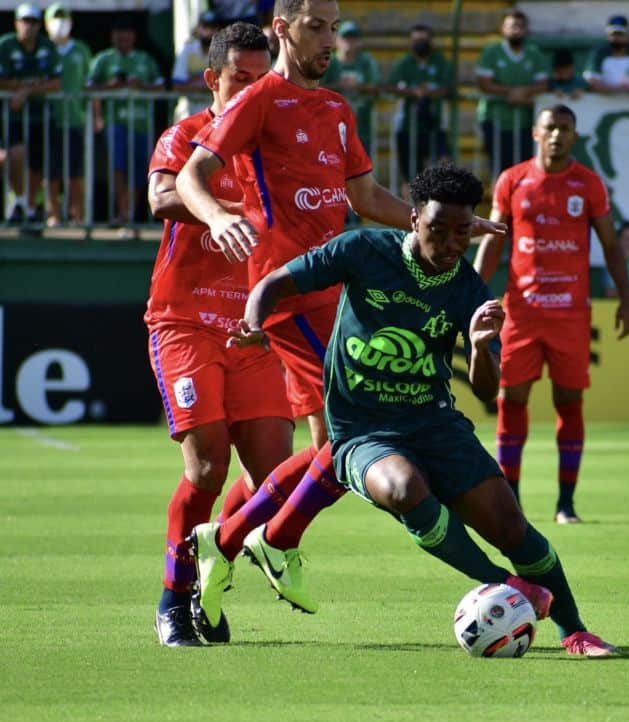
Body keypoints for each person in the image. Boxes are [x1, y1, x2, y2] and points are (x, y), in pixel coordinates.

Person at [199, 162, 619, 657]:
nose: (451, 243)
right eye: (439, 229)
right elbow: (271, 285)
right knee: (402, 488)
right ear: (415, 218)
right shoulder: (363, 249)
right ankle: (504, 583)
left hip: (436, 423)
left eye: (463, 232)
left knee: (511, 526)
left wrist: (482, 346)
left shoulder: (468, 289)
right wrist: (253, 323)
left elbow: (487, 391)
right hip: (361, 430)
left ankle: (574, 631)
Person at [175, 0, 503, 622]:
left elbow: (363, 197)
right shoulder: (259, 99)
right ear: (283, 28)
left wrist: (448, 224)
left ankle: (227, 540)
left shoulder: (335, 109)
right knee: (349, 434)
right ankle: (266, 540)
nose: (331, 41)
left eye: (334, 29)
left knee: (338, 441)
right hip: (287, 290)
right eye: (317, 27)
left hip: (339, 297)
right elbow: (195, 172)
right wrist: (218, 217)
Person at [147, 22, 290, 647]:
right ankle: (172, 600)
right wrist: (225, 211)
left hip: (250, 331)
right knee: (208, 465)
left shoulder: (277, 147)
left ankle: (212, 564)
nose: (254, 91)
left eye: (264, 80)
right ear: (213, 80)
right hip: (184, 324)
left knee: (274, 478)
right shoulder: (186, 136)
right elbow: (159, 196)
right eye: (241, 79)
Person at [473, 105, 629, 524]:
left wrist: (625, 297)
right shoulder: (513, 180)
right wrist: (470, 288)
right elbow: (493, 240)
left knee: (570, 402)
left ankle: (566, 504)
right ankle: (511, 502)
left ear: (574, 136)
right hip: (522, 313)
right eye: (551, 128)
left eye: (565, 129)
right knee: (513, 402)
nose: (557, 135)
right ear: (535, 133)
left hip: (570, 315)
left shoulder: (588, 184)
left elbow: (611, 244)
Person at [88, 16, 165, 226]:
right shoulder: (103, 60)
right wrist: (109, 87)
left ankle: (129, 211)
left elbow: (161, 88)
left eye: (127, 32)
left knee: (141, 169)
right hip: (114, 122)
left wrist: (141, 85)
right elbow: (89, 89)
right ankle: (122, 211)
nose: (123, 37)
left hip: (141, 123)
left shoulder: (145, 60)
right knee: (118, 166)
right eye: (119, 32)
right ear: (113, 36)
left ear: (134, 36)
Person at [0, 3, 61, 227]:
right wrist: (25, 89)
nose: (28, 27)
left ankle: (30, 207)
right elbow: (0, 81)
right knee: (15, 155)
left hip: (41, 116)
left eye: (33, 22)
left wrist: (25, 91)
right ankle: (19, 200)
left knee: (36, 164)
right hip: (14, 115)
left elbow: (55, 82)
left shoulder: (47, 47)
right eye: (25, 21)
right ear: (16, 23)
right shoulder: (5, 45)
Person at [475, 9, 547, 178]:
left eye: (520, 26)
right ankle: (500, 203)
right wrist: (511, 93)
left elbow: (543, 84)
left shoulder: (534, 54)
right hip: (494, 120)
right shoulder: (492, 52)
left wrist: (523, 92)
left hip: (525, 122)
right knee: (499, 171)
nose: (516, 30)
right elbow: (484, 83)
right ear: (503, 29)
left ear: (527, 30)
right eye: (512, 26)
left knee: (524, 169)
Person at [386, 24, 452, 195]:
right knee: (410, 178)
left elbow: (449, 87)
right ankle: (410, 217)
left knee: (444, 166)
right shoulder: (404, 63)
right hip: (407, 127)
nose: (420, 43)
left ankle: (440, 208)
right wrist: (413, 93)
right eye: (416, 40)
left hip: (435, 124)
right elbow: (390, 86)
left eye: (424, 39)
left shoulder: (440, 61)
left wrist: (430, 93)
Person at [44, 2, 92, 226]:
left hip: (76, 119)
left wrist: (96, 115)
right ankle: (53, 214)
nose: (60, 23)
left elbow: (89, 84)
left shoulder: (81, 50)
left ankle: (77, 215)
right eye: (56, 18)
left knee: (75, 171)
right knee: (51, 171)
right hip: (49, 119)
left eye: (64, 18)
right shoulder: (44, 48)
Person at [321, 20, 380, 154]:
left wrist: (358, 86)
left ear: (360, 42)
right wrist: (340, 86)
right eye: (345, 37)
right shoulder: (329, 61)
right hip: (331, 126)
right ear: (337, 41)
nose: (349, 41)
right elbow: (317, 88)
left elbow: (376, 86)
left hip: (362, 126)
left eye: (353, 38)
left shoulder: (367, 62)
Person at [584, 14, 629, 96]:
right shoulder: (598, 54)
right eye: (614, 34)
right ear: (607, 35)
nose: (617, 38)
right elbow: (592, 84)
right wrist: (621, 89)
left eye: (621, 34)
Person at [172, 10, 223, 94]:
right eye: (205, 27)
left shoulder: (224, 52)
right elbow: (177, 83)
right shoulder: (188, 49)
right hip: (192, 106)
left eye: (213, 28)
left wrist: (197, 82)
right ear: (198, 29)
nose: (209, 32)